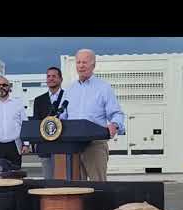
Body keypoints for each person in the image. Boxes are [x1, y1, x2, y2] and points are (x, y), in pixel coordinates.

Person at [59, 49, 125, 181]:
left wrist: (115, 124)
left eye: (85, 62)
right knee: (77, 188)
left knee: (99, 185)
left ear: (93, 65)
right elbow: (62, 116)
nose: (81, 65)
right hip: (73, 145)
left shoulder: (103, 88)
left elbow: (116, 113)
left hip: (95, 144)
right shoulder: (70, 90)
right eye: (78, 62)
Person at [32, 67, 65, 179]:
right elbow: (37, 122)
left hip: (64, 145)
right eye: (48, 76)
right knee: (48, 179)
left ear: (61, 79)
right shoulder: (39, 100)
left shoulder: (68, 97)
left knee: (64, 178)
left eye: (54, 76)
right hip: (45, 146)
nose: (51, 79)